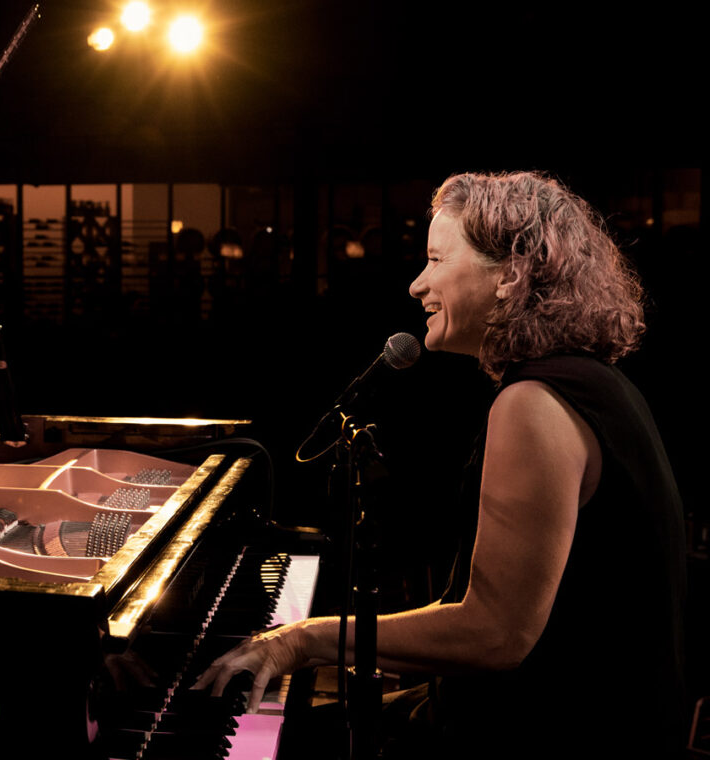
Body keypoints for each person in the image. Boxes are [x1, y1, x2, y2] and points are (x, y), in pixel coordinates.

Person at [193, 171, 688, 757]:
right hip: (584, 720)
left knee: (265, 745)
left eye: (434, 260)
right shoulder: (593, 384)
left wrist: (303, 641)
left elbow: (496, 634)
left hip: (559, 737)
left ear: (510, 274)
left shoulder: (534, 404)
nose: (415, 284)